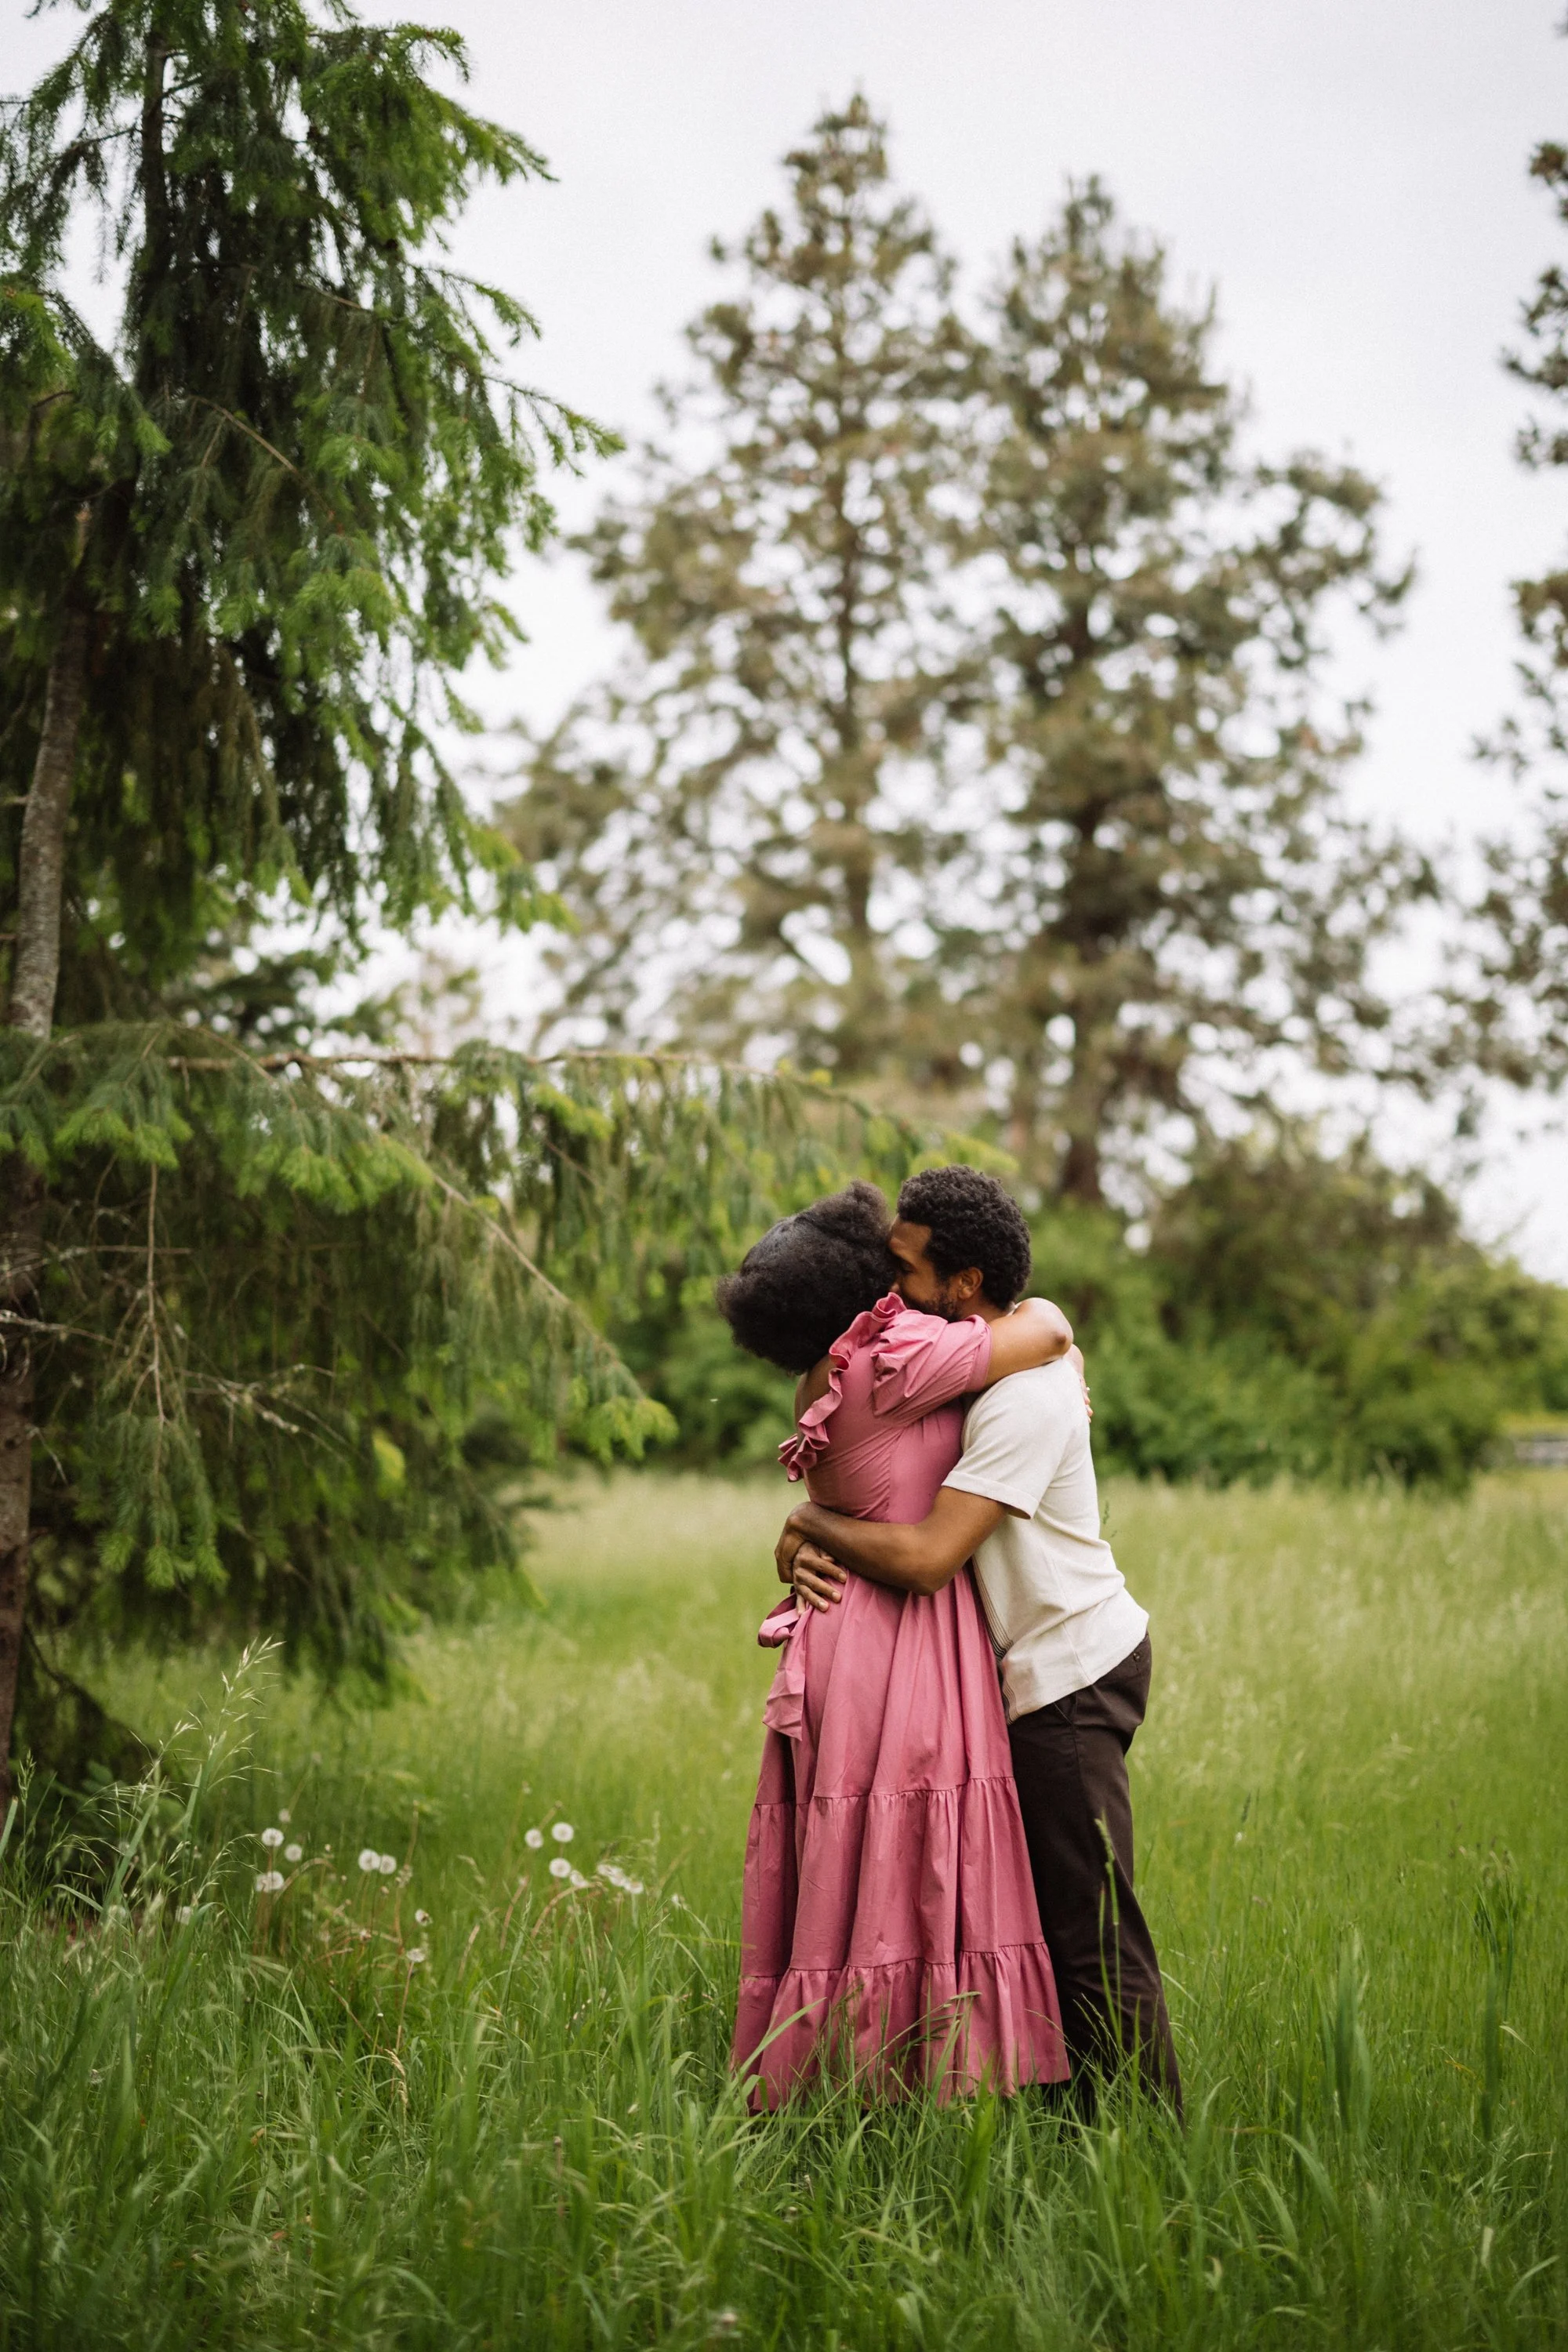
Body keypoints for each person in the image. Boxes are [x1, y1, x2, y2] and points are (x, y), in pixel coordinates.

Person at [778, 1167, 1182, 2118]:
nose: (888, 1285)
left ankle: (1155, 2148)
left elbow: (923, 1557)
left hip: (1070, 1676)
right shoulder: (979, 1361)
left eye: (906, 1268)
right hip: (1030, 1673)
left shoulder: (1020, 1400)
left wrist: (808, 1525)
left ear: (962, 1285)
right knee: (1044, 1920)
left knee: (1088, 1930)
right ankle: (1066, 2128)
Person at [717, 1179, 1074, 2107]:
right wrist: (1039, 1302)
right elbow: (1046, 1334)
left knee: (851, 1859)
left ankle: (835, 2074)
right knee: (915, 1849)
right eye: (884, 1265)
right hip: (901, 1641)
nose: (895, 1277)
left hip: (836, 1640)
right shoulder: (900, 1351)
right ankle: (921, 2074)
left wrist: (802, 1523)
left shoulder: (821, 1374)